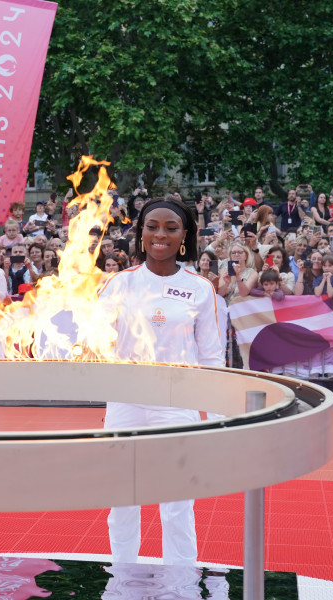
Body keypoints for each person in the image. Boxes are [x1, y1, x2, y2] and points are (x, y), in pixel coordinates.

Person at [98, 196, 222, 566]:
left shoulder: (200, 289)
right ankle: (121, 575)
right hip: (126, 400)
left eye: (171, 228)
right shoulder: (119, 284)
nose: (160, 235)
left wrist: (216, 418)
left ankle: (181, 579)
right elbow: (98, 344)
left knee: (177, 501)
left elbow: (212, 357)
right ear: (140, 233)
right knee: (122, 497)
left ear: (185, 235)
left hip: (176, 402)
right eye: (152, 226)